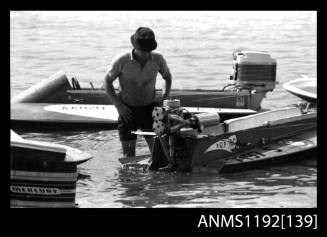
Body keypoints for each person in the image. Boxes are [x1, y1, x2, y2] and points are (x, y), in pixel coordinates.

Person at [104, 27, 172, 158]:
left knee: (159, 153)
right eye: (142, 51)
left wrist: (164, 98)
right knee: (128, 156)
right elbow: (107, 82)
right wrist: (119, 106)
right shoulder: (122, 60)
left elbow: (167, 77)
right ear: (135, 46)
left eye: (148, 51)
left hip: (150, 109)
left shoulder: (158, 59)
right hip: (127, 111)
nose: (145, 54)